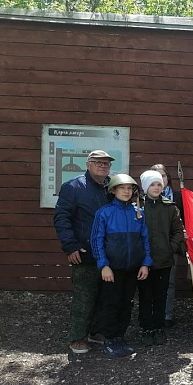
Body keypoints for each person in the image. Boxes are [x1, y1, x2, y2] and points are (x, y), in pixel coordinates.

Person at [54, 149, 114, 354]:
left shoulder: (112, 187)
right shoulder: (73, 187)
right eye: (98, 162)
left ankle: (96, 332)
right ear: (88, 164)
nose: (103, 166)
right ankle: (77, 338)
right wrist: (70, 245)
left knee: (105, 296)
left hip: (109, 254)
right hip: (85, 252)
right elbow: (62, 218)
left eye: (106, 163)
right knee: (84, 298)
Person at [91, 174, 152, 358]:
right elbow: (97, 240)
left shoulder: (138, 212)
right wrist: (104, 265)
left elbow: (145, 240)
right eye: (122, 188)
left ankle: (120, 336)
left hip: (133, 268)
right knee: (111, 302)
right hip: (113, 268)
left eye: (129, 189)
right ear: (113, 190)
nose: (126, 192)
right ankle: (109, 338)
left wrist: (145, 263)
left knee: (127, 302)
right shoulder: (104, 213)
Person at [137, 170, 184, 347]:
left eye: (159, 184)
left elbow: (177, 231)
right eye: (152, 184)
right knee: (145, 295)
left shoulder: (170, 207)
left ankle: (158, 327)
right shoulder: (138, 206)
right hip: (143, 262)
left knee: (160, 296)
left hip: (164, 260)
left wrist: (170, 248)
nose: (156, 187)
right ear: (145, 186)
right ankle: (146, 328)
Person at [150, 163, 183, 329]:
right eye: (155, 176)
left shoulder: (177, 197)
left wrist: (173, 245)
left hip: (171, 247)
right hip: (150, 248)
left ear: (168, 178)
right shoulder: (145, 199)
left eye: (162, 176)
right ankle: (150, 316)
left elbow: (182, 224)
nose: (160, 180)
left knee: (168, 282)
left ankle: (167, 315)